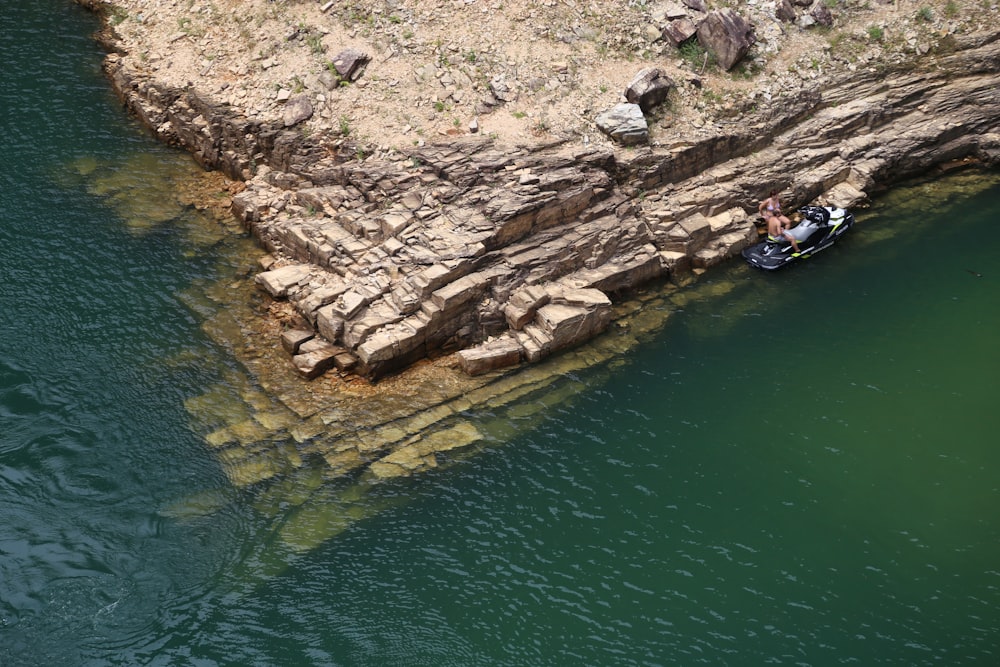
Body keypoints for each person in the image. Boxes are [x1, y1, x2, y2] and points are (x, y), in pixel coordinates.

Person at [759, 189, 800, 254]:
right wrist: (763, 215)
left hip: (775, 217)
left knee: (787, 222)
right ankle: (797, 250)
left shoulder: (777, 200)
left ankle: (785, 233)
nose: (775, 196)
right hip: (771, 218)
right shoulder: (768, 201)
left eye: (776, 195)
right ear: (771, 196)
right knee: (790, 237)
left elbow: (779, 207)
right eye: (774, 195)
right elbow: (760, 207)